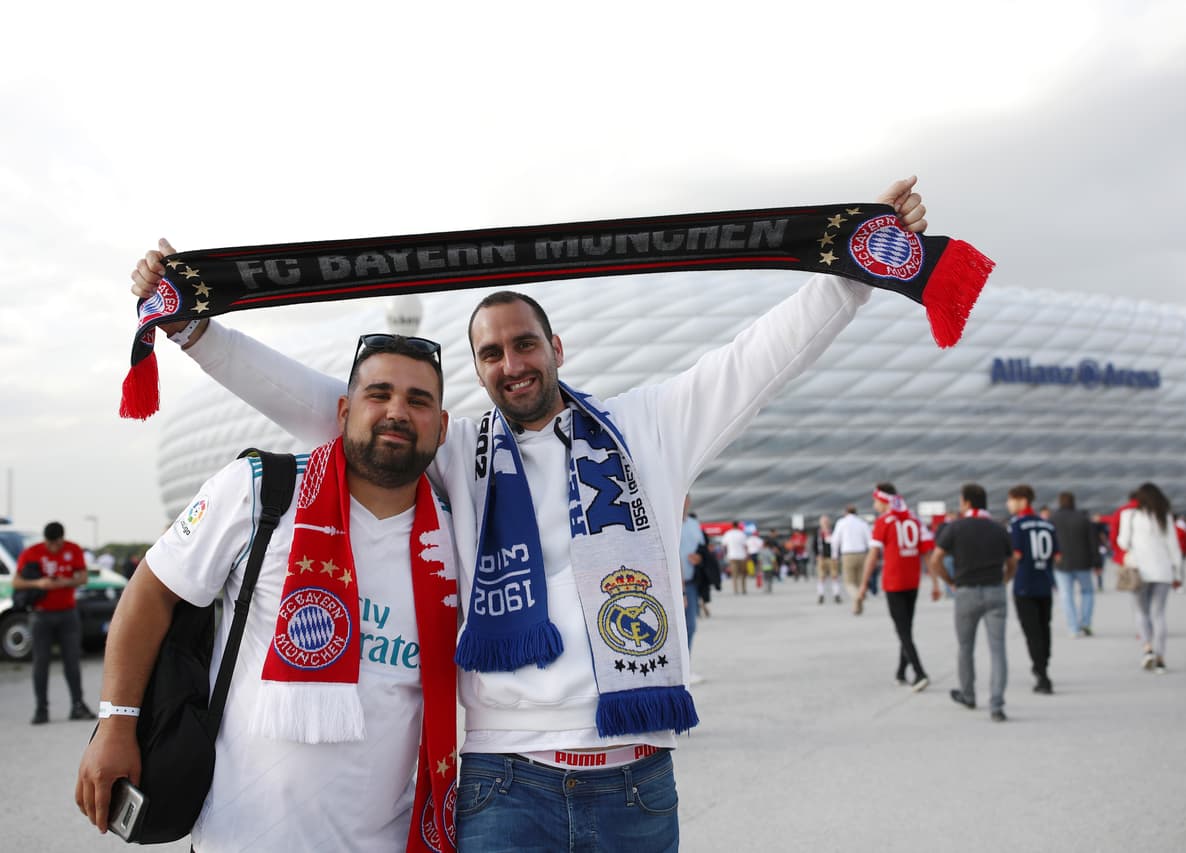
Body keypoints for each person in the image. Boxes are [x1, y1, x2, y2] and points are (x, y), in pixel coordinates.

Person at [128, 176, 932, 849]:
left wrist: (855, 268)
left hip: (635, 778)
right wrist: (197, 330)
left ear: (556, 347)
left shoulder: (651, 427)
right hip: (504, 778)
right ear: (476, 370)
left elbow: (763, 354)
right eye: (490, 352)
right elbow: (324, 405)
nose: (511, 363)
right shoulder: (455, 445)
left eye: (524, 344)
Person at [76, 334, 460, 850]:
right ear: (343, 410)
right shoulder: (262, 490)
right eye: (379, 393)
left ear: (442, 427)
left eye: (418, 401)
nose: (397, 411)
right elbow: (150, 593)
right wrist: (115, 725)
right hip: (241, 834)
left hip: (386, 838)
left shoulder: (458, 537)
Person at [928, 484, 1015, 722]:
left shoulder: (955, 528)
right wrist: (1004, 580)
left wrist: (950, 582)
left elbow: (935, 560)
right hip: (995, 591)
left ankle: (968, 694)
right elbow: (1012, 561)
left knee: (965, 647)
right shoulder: (999, 528)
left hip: (966, 591)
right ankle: (996, 704)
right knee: (998, 650)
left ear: (966, 502)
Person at [858, 484, 938, 691]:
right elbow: (927, 553)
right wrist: (936, 583)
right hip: (913, 581)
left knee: (903, 631)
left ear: (884, 501)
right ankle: (901, 671)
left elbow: (873, 556)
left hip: (894, 582)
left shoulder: (883, 522)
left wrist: (863, 584)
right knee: (907, 627)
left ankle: (919, 673)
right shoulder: (914, 519)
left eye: (876, 500)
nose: (874, 504)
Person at [15, 522, 93, 725]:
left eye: (56, 544)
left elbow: (83, 577)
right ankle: (41, 708)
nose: (53, 548)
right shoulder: (32, 552)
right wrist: (39, 584)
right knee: (41, 662)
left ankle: (77, 705)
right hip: (41, 615)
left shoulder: (73, 549)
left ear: (62, 539)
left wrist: (65, 582)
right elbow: (16, 582)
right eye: (50, 544)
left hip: (68, 613)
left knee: (72, 661)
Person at [1117, 482, 1182, 674]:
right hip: (1162, 571)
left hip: (1139, 571)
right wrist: (1178, 573)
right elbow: (1174, 547)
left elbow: (1122, 542)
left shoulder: (1129, 516)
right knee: (1159, 614)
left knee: (1141, 612)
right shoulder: (1164, 517)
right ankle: (1161, 658)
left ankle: (1147, 649)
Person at [1006, 484, 1059, 695]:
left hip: (1025, 584)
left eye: (1010, 500)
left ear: (1021, 500)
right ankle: (1044, 664)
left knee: (1032, 631)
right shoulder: (1047, 525)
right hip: (1045, 582)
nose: (1008, 504)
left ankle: (1041, 674)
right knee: (1045, 628)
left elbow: (1015, 555)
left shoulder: (1017, 525)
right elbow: (1057, 555)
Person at [1050, 492, 1101, 637]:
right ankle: (1085, 623)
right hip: (1083, 562)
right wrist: (1097, 562)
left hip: (1061, 563)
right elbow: (1093, 542)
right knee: (1087, 592)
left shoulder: (1053, 519)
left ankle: (1073, 627)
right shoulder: (1084, 519)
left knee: (1066, 595)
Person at [679, 496, 707, 684]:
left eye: (687, 496)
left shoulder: (693, 524)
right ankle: (680, 670)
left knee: (690, 626)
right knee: (678, 628)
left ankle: (685, 667)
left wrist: (699, 558)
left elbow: (703, 549)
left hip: (692, 582)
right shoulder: (669, 522)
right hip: (676, 585)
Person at [831, 504, 871, 614]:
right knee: (859, 582)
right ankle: (858, 607)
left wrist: (834, 556)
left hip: (847, 554)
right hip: (861, 553)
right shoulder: (862, 523)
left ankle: (858, 596)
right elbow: (870, 540)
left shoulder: (841, 523)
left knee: (849, 582)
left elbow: (835, 541)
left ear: (846, 512)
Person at [812, 514, 837, 604]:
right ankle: (821, 594)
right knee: (821, 576)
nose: (825, 523)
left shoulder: (833, 532)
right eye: (823, 522)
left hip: (832, 557)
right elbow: (814, 545)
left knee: (834, 575)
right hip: (822, 557)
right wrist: (817, 555)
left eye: (826, 521)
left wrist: (836, 555)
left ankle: (836, 594)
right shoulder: (818, 533)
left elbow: (837, 543)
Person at [722, 521, 750, 595]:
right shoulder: (742, 534)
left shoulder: (728, 534)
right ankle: (743, 589)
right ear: (738, 526)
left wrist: (726, 554)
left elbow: (724, 545)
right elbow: (745, 546)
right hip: (741, 556)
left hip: (732, 556)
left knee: (734, 574)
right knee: (743, 574)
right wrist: (747, 555)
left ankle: (735, 590)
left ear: (732, 526)